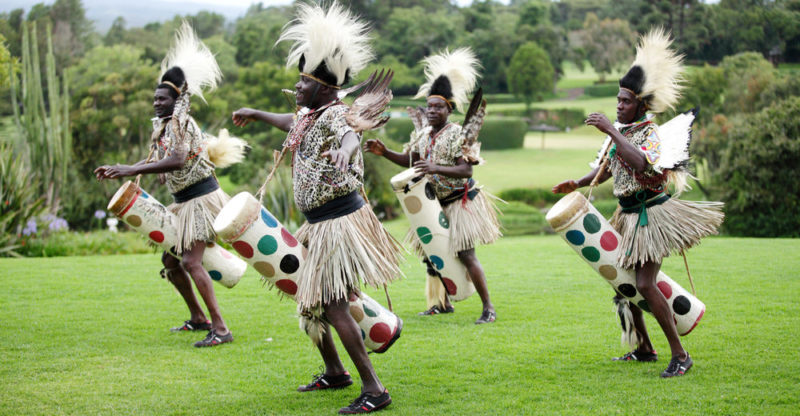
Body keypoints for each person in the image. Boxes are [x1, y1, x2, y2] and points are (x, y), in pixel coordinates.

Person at [231, 3, 401, 413]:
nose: (297, 88)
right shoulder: (311, 114)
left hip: (338, 223)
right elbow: (292, 125)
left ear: (324, 88)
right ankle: (335, 372)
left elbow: (348, 136)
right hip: (318, 223)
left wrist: (346, 152)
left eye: (303, 83)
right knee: (309, 302)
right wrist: (255, 113)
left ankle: (374, 390)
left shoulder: (335, 113)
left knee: (334, 304)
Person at [552, 28, 723, 377]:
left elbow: (642, 164)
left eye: (625, 102)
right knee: (622, 286)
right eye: (617, 101)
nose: (619, 106)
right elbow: (610, 169)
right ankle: (644, 348)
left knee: (645, 285)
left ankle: (681, 355)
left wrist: (612, 131)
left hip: (652, 217)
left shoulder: (648, 133)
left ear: (642, 105)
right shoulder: (623, 131)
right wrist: (579, 183)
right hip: (626, 216)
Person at [95, 22, 241, 348]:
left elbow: (177, 159)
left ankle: (221, 328)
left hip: (202, 200)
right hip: (183, 200)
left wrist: (130, 169)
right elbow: (167, 161)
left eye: (161, 99)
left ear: (176, 100)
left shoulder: (182, 123)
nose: (156, 103)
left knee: (190, 261)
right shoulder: (163, 127)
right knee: (171, 262)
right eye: (155, 98)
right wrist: (138, 170)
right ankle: (199, 318)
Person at [364, 48, 500, 324]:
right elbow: (411, 160)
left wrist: (436, 168)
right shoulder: (422, 134)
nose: (432, 111)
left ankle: (488, 307)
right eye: (429, 106)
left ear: (449, 109)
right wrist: (385, 151)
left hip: (460, 201)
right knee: (432, 253)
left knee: (465, 254)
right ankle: (441, 303)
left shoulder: (457, 134)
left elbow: (466, 169)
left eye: (438, 107)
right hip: (434, 203)